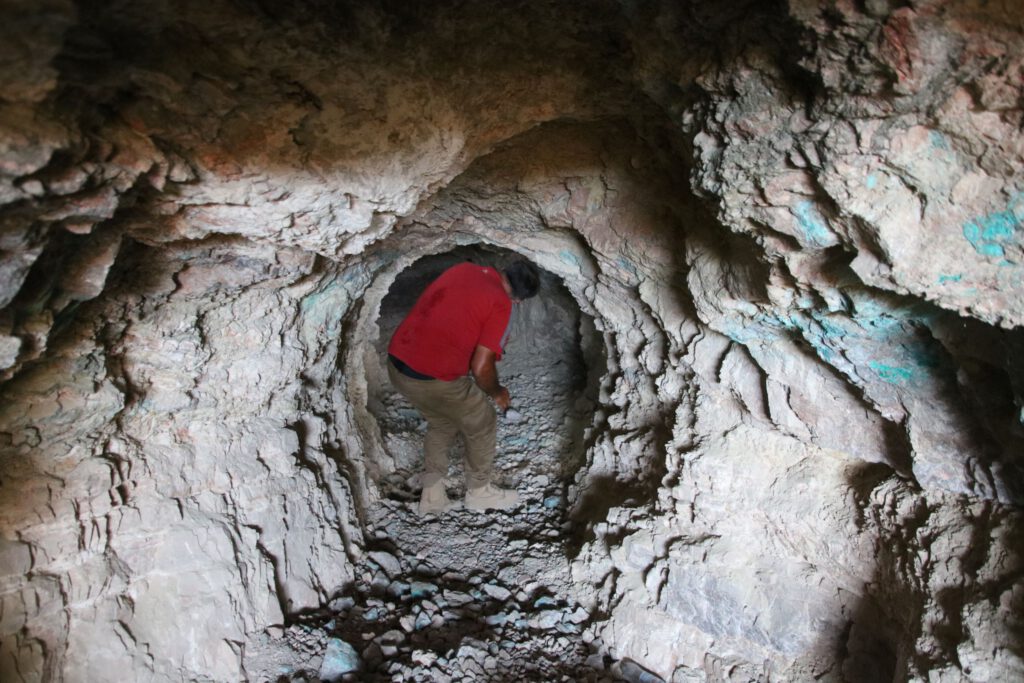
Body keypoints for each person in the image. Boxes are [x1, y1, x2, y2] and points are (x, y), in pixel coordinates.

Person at [386, 258, 541, 514]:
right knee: (483, 420)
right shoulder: (501, 303)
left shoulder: (463, 269)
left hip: (397, 363)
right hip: (432, 376)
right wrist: (497, 392)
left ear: (504, 269)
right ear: (518, 300)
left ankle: (432, 496)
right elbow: (481, 367)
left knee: (442, 421)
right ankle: (480, 493)